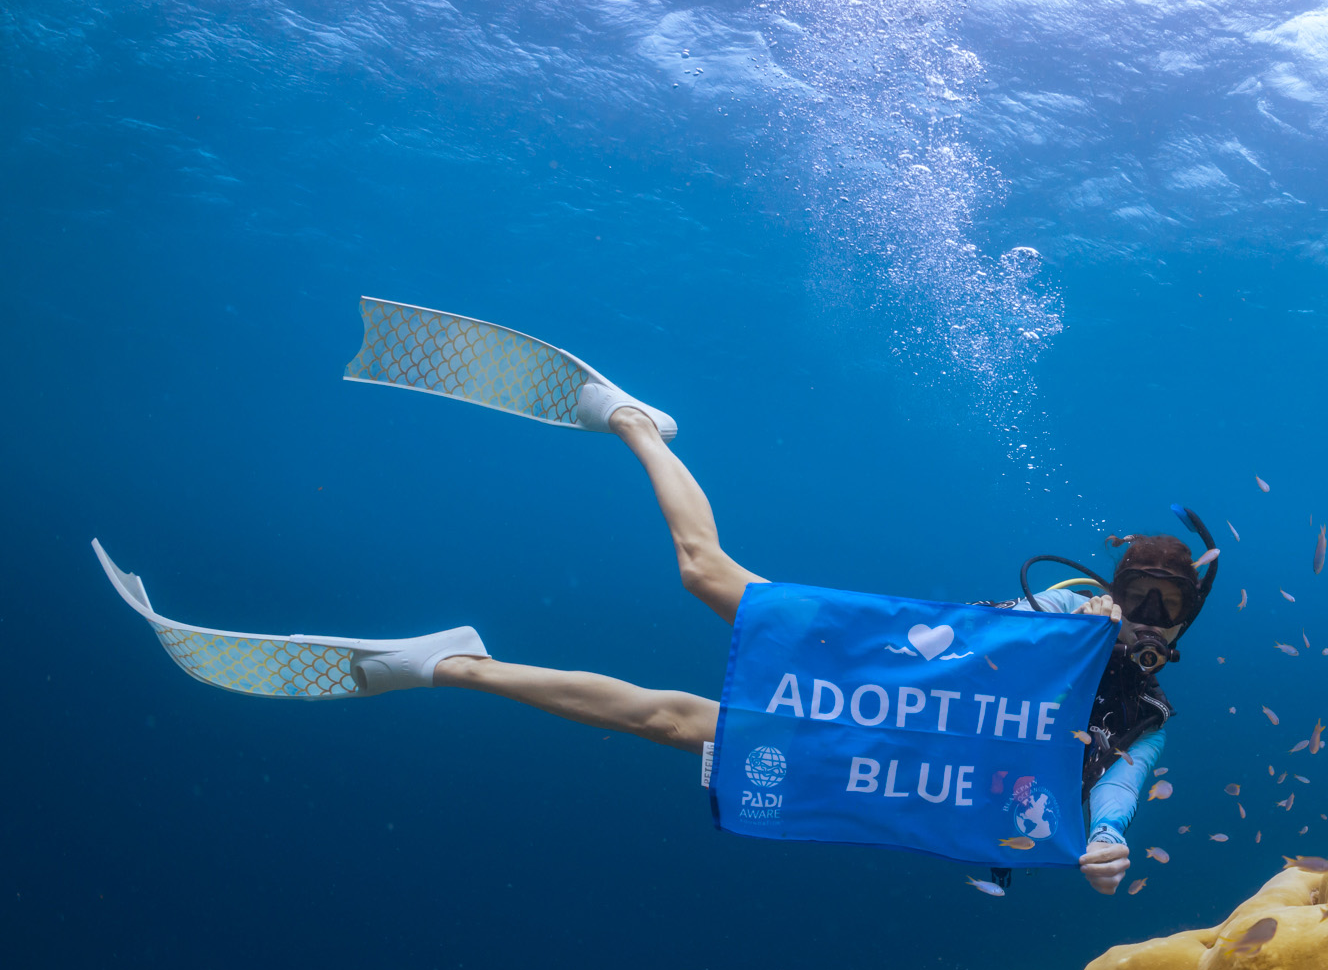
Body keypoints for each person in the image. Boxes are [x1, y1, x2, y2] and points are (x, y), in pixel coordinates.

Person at [95, 300, 1211, 893]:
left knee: (672, 720)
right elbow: (1021, 627)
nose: (1147, 614)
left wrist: (1104, 849)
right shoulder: (1071, 618)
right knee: (701, 573)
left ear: (1187, 624)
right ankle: (630, 416)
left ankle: (445, 662)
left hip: (900, 764)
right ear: (1111, 584)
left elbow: (1118, 792)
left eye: (1168, 606)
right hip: (887, 681)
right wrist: (1080, 615)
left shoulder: (1147, 713)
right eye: (1136, 592)